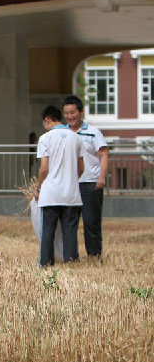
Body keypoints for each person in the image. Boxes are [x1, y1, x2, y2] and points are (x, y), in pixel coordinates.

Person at [35, 105, 84, 266]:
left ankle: (46, 263)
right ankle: (71, 261)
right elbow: (81, 167)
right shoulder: (76, 137)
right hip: (71, 193)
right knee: (69, 231)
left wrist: (38, 187)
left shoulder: (45, 138)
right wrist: (71, 179)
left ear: (47, 119)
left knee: (48, 230)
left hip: (51, 193)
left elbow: (44, 168)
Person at [62, 95, 109, 261]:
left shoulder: (93, 132)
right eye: (66, 113)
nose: (69, 116)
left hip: (90, 183)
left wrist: (101, 178)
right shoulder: (62, 133)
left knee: (91, 222)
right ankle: (70, 257)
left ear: (81, 112)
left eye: (73, 112)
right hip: (70, 184)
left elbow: (103, 155)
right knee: (69, 223)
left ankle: (94, 256)